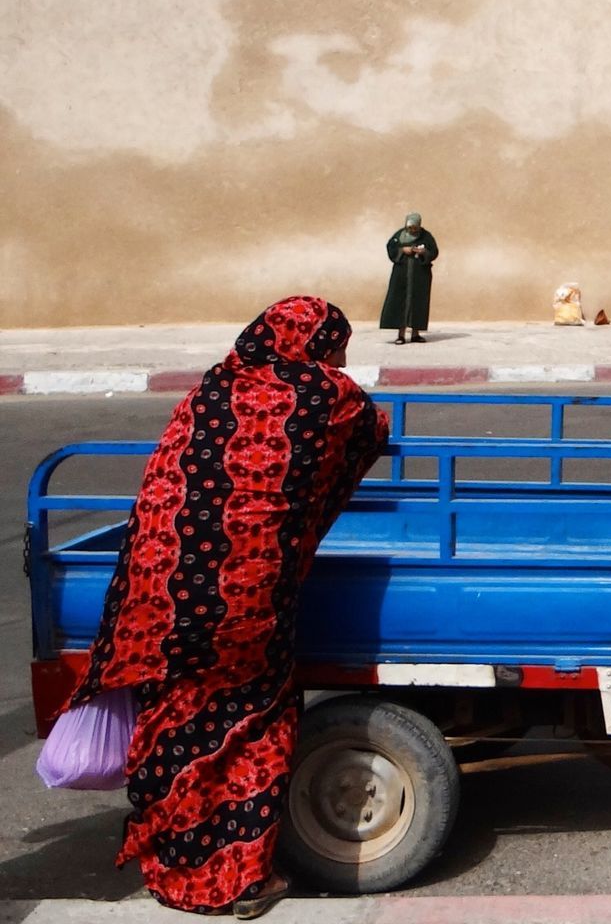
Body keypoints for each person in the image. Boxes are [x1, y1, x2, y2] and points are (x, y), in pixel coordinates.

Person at [62, 297, 389, 917]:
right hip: (242, 608)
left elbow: (169, 480)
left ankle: (171, 874)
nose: (343, 357)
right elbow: (369, 436)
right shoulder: (328, 395)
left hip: (155, 600)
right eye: (338, 344)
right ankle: (234, 881)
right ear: (319, 342)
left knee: (174, 730)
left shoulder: (208, 390)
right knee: (248, 730)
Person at [379, 213, 439, 344]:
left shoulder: (426, 236)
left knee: (418, 303)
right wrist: (402, 250)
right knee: (400, 302)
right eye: (410, 227)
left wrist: (424, 252)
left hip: (420, 276)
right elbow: (391, 247)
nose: (412, 230)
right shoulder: (399, 235)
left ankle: (415, 334)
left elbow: (434, 251)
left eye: (414, 228)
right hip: (401, 274)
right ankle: (400, 335)